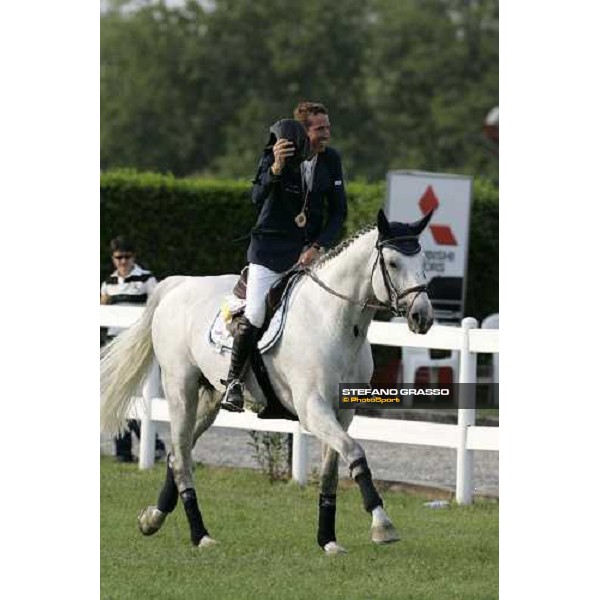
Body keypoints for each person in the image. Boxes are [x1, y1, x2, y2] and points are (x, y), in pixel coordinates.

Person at [220, 101, 348, 412]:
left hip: (309, 253)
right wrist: (275, 169)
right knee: (255, 315)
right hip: (270, 252)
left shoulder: (331, 160)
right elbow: (256, 196)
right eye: (320, 129)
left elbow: (338, 212)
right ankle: (234, 382)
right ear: (303, 132)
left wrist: (318, 245)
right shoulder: (274, 153)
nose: (327, 134)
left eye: (328, 127)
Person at [101, 235, 166, 462]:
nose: (123, 262)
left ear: (133, 257)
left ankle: (154, 445)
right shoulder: (108, 282)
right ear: (113, 259)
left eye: (127, 257)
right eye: (119, 258)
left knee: (139, 397)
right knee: (118, 397)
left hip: (137, 346)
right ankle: (123, 450)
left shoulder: (147, 279)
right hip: (114, 345)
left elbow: (158, 307)